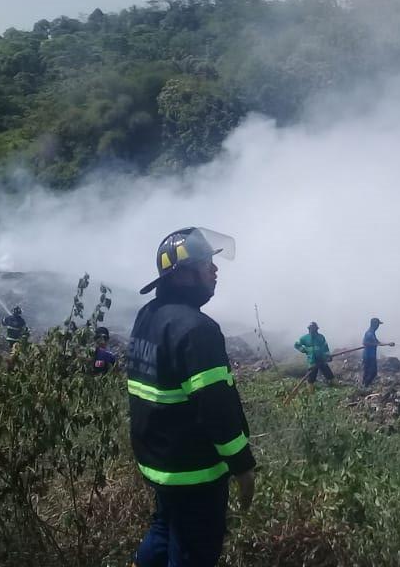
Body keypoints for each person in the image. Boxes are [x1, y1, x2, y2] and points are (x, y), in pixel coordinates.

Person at [128, 227, 255, 567]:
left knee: (164, 529)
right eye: (205, 264)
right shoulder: (197, 330)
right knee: (192, 551)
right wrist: (242, 467)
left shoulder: (149, 316)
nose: (215, 270)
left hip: (160, 465)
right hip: (194, 472)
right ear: (184, 275)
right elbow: (216, 408)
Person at [294, 321, 334, 385]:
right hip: (312, 361)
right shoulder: (305, 338)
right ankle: (310, 392)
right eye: (311, 328)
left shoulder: (321, 337)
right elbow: (296, 345)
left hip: (322, 359)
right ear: (309, 329)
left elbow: (325, 348)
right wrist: (304, 350)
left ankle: (334, 385)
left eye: (314, 328)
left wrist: (328, 356)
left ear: (317, 329)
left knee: (329, 375)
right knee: (311, 379)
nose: (312, 330)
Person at [361, 317, 395, 387]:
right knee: (373, 372)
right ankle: (365, 385)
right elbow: (364, 343)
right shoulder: (369, 333)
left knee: (367, 372)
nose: (378, 326)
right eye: (378, 324)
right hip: (369, 356)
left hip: (370, 355)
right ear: (375, 325)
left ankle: (364, 385)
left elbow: (378, 342)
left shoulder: (372, 333)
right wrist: (375, 344)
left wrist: (388, 344)